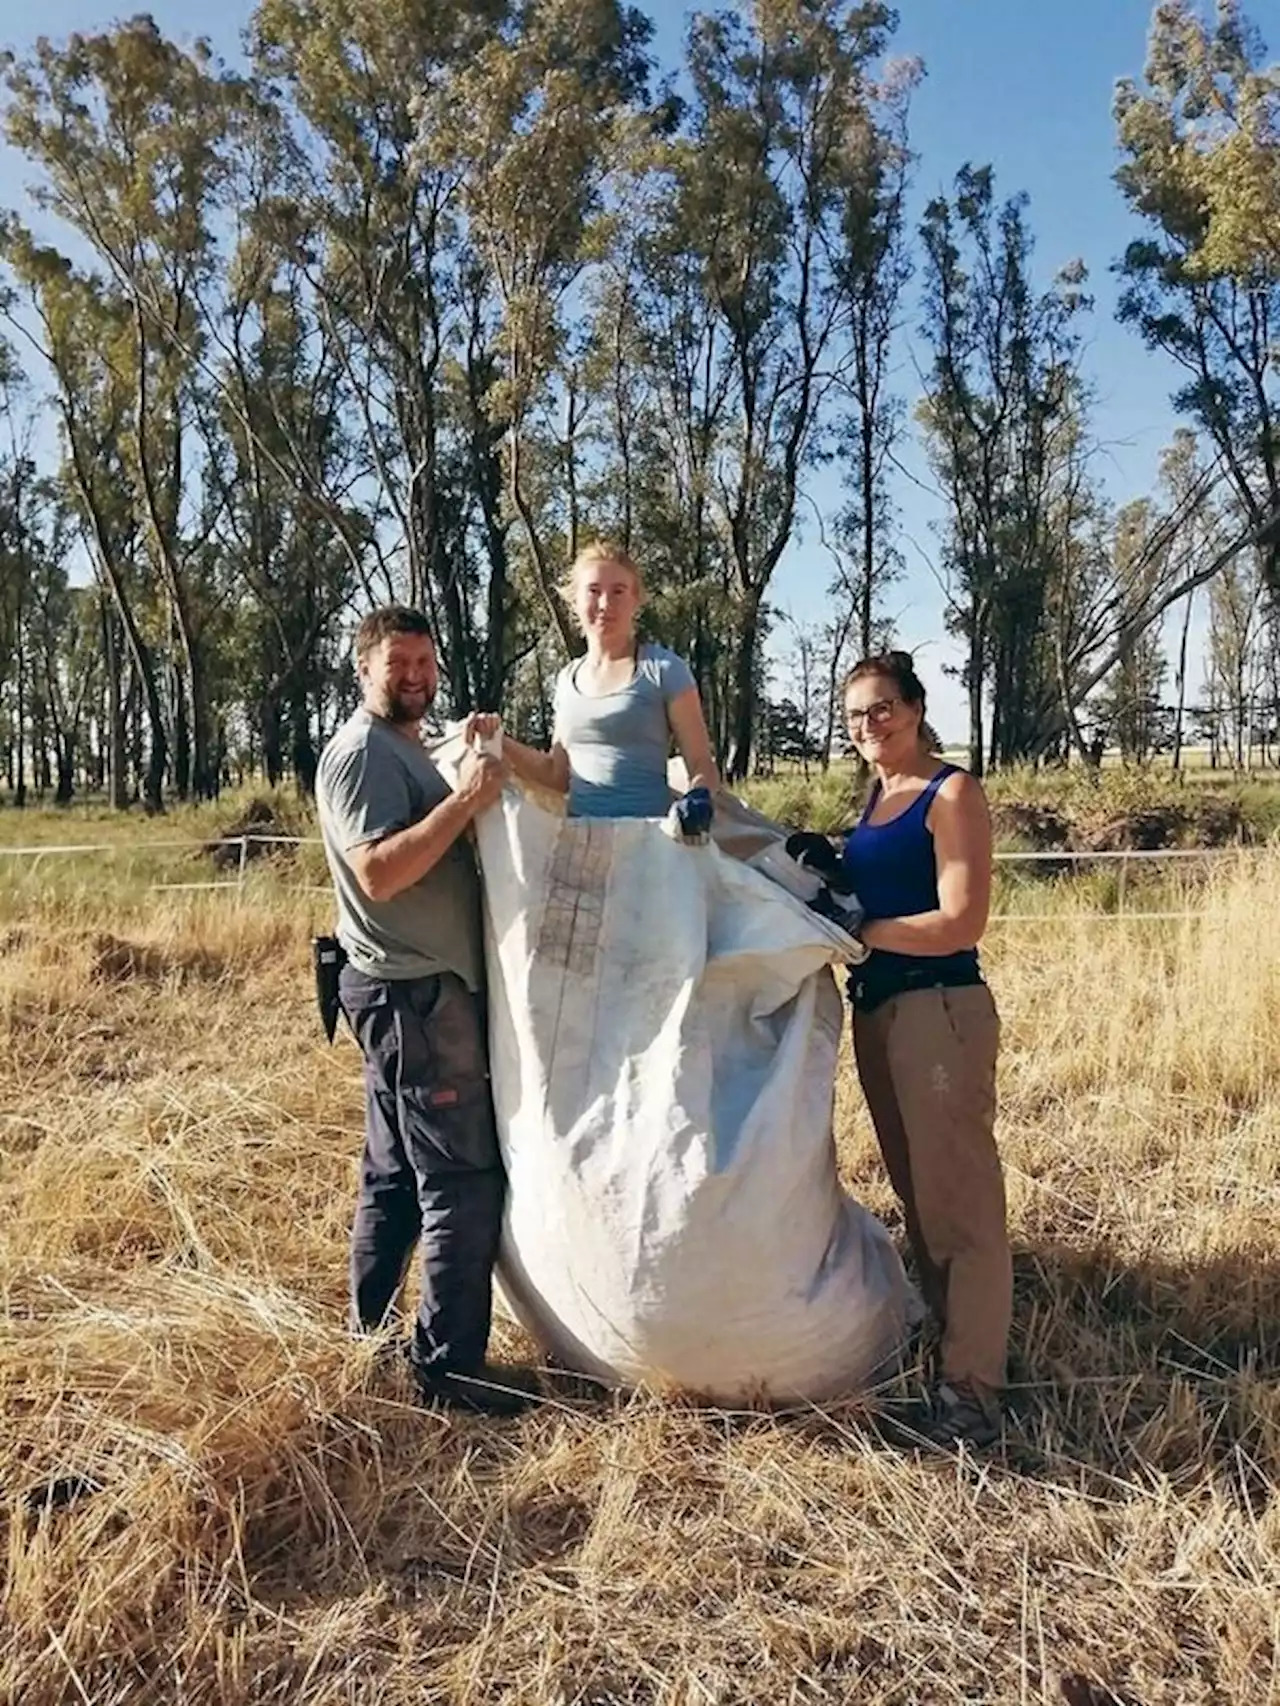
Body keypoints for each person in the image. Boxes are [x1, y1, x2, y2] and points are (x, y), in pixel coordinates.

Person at [315, 605, 530, 1417]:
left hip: (406, 993)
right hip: (413, 997)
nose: (414, 676)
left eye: (424, 663)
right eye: (397, 663)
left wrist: (466, 757)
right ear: (363, 666)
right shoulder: (360, 755)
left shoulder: (404, 744)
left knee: (395, 1177)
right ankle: (447, 1372)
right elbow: (377, 872)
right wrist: (467, 801)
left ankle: (366, 1339)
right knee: (459, 1181)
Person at [836, 650, 1011, 1447]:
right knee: (917, 1190)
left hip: (937, 1008)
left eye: (882, 709)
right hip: (877, 1009)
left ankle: (972, 1391)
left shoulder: (951, 792)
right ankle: (950, 1350)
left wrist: (858, 930)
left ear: (913, 708)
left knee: (961, 1203)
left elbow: (960, 920)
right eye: (855, 716)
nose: (869, 726)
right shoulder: (877, 796)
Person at [466, 542, 719, 832]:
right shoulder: (566, 681)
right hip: (583, 847)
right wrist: (498, 739)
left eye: (618, 592)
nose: (605, 604)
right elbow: (557, 775)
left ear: (636, 600)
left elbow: (702, 764)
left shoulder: (665, 670)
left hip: (651, 846)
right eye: (594, 590)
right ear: (574, 599)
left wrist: (699, 797)